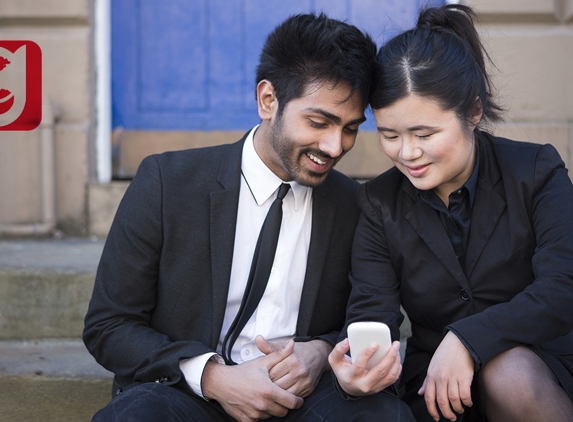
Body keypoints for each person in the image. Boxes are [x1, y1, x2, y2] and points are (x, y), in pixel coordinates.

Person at [83, 12, 414, 422]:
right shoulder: (167, 182)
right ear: (267, 101)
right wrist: (213, 378)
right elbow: (109, 325)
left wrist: (323, 351)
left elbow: (371, 318)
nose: (334, 146)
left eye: (350, 128)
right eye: (318, 122)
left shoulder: (355, 204)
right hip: (188, 396)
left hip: (305, 400)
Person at [329, 4, 573, 422]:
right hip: (436, 388)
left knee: (507, 371)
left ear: (473, 113)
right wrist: (357, 368)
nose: (407, 154)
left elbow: (563, 285)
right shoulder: (378, 201)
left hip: (539, 368)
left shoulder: (535, 171)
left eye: (424, 134)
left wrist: (468, 339)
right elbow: (372, 311)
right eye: (389, 135)